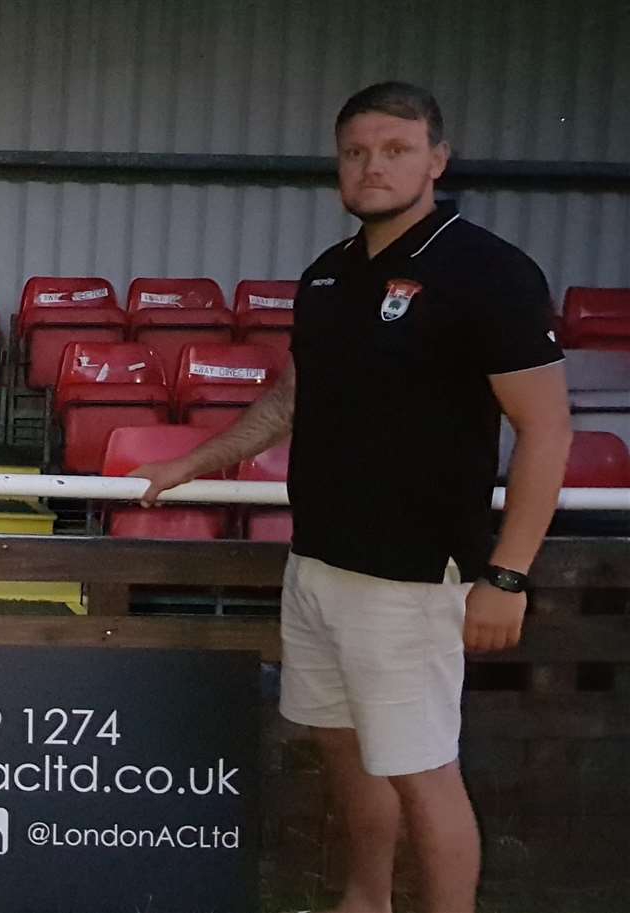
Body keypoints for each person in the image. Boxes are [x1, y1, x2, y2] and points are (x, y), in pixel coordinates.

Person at [133, 82, 571, 913]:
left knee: (421, 770)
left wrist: (507, 575)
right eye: (356, 152)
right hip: (320, 562)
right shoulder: (327, 277)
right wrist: (194, 460)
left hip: (412, 579)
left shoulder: (490, 272)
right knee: (347, 752)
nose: (373, 166)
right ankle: (364, 900)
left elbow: (547, 432)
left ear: (437, 160)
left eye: (396, 149)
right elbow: (290, 399)